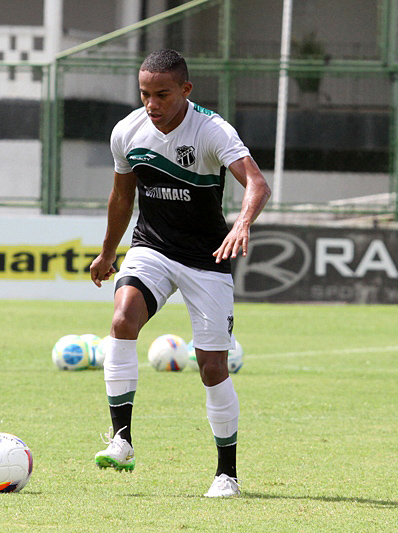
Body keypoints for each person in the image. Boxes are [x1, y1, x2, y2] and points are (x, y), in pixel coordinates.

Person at [89, 49, 271, 498]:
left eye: (163, 94)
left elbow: (257, 183)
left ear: (186, 90)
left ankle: (226, 473)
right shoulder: (127, 132)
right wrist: (108, 252)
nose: (152, 104)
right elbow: (120, 198)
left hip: (207, 258)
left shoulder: (212, 130)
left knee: (212, 367)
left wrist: (242, 224)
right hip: (151, 247)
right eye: (145, 94)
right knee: (121, 321)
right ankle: (122, 439)